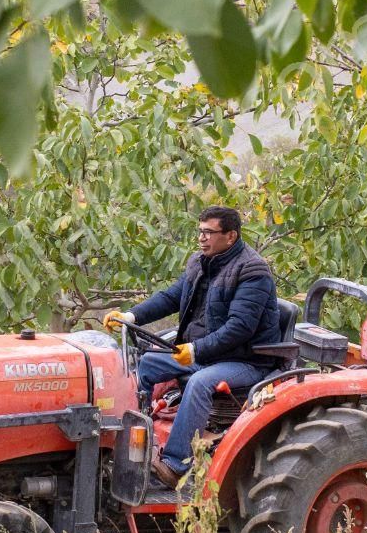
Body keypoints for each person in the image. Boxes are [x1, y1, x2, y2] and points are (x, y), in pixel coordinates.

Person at [105, 206, 283, 486]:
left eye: (209, 232)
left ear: (231, 236)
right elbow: (171, 297)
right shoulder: (200, 262)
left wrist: (197, 349)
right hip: (206, 353)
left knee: (200, 382)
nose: (201, 238)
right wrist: (131, 316)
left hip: (246, 361)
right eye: (200, 231)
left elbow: (239, 328)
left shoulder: (252, 270)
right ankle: (132, 445)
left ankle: (174, 465)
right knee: (146, 364)